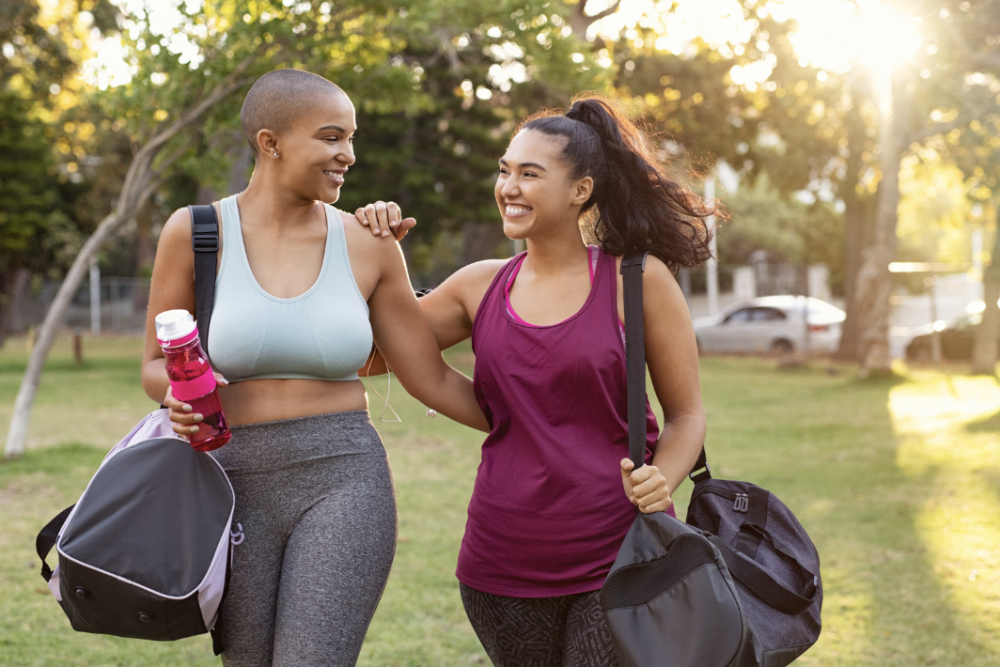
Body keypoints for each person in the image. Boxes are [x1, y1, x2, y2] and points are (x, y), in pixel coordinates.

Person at [140, 69, 488, 667]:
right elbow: (153, 364)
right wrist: (173, 396)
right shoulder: (196, 233)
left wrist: (536, 424)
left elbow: (426, 375)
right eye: (331, 138)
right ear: (270, 143)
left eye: (351, 140)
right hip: (229, 481)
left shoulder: (369, 242)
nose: (347, 155)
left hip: (344, 479)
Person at [358, 94, 714, 667]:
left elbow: (687, 415)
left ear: (581, 190)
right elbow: (369, 356)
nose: (509, 187)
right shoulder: (479, 285)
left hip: (623, 552)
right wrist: (377, 260)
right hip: (501, 562)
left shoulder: (636, 279)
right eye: (504, 170)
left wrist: (663, 478)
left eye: (529, 173)